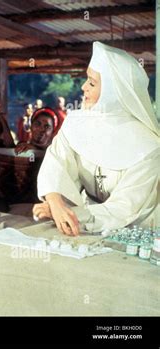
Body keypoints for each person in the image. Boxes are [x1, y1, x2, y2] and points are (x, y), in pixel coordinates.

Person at [34, 41, 159, 236]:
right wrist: (55, 201)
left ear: (114, 92)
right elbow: (56, 164)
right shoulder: (74, 124)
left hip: (136, 231)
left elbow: (123, 209)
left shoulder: (149, 147)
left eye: (92, 82)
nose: (83, 87)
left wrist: (70, 213)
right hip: (84, 223)